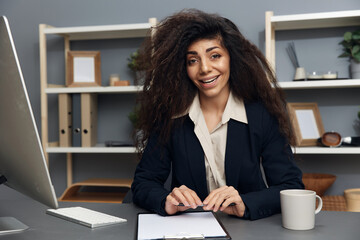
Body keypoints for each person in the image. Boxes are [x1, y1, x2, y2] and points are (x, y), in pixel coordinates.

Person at [131, 9, 304, 220]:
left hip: (248, 229)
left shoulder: (261, 115)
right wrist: (165, 200)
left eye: (215, 56)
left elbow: (290, 186)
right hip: (188, 230)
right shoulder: (170, 118)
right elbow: (143, 183)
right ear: (182, 68)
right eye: (192, 60)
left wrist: (245, 203)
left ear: (232, 58)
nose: (204, 68)